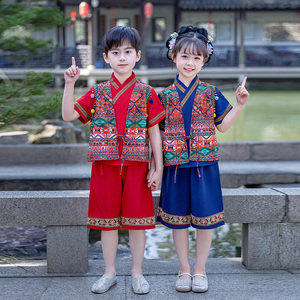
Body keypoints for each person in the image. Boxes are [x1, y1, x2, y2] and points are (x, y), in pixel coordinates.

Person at [62, 26, 165, 295]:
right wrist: (70, 84)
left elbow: (154, 131)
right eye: (116, 52)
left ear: (137, 55)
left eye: (128, 52)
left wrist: (159, 167)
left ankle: (137, 273)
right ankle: (109, 272)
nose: (122, 57)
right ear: (106, 57)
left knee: (138, 221)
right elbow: (68, 116)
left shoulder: (147, 92)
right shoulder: (97, 92)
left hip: (137, 166)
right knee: (106, 221)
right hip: (104, 165)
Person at [156, 25, 249, 293]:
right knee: (178, 219)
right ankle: (183, 269)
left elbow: (223, 126)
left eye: (197, 58)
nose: (190, 62)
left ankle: (200, 270)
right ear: (173, 56)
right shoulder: (163, 96)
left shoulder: (211, 92)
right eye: (185, 56)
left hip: (204, 165)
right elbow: (157, 134)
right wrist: (156, 167)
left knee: (205, 219)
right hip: (175, 167)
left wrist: (240, 104)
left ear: (204, 60)